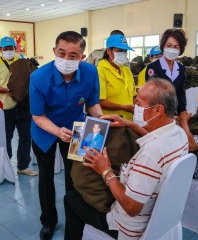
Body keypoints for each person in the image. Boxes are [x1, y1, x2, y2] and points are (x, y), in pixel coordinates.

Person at [64, 79, 189, 240]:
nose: (134, 107)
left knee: (71, 199)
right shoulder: (178, 133)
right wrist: (130, 124)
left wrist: (105, 171)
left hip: (128, 228)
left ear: (158, 110)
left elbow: (131, 208)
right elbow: (154, 138)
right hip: (160, 216)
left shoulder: (150, 155)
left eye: (138, 103)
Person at [29, 31, 103, 240]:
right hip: (45, 131)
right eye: (62, 53)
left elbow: (93, 103)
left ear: (81, 56)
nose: (66, 59)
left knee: (75, 177)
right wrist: (57, 131)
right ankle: (48, 221)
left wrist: (101, 119)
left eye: (73, 55)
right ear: (54, 51)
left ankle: (75, 219)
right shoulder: (38, 78)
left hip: (76, 130)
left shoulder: (90, 73)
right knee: (46, 178)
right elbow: (37, 116)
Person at [0, 36, 37, 176]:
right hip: (6, 106)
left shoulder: (20, 59)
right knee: (7, 136)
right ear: (0, 49)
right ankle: (6, 166)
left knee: (25, 136)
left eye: (11, 48)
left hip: (23, 104)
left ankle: (22, 166)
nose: (9, 51)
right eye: (6, 49)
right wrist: (6, 91)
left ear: (15, 48)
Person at [145, 29, 188, 114]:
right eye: (169, 45)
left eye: (176, 47)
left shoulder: (181, 68)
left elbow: (181, 93)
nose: (172, 49)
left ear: (180, 50)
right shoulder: (153, 67)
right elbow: (151, 95)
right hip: (158, 114)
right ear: (163, 46)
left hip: (176, 114)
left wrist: (182, 112)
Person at [98, 34, 136, 120]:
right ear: (109, 51)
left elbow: (133, 96)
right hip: (112, 122)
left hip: (129, 120)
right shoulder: (101, 71)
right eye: (120, 51)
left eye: (125, 51)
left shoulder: (127, 71)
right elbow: (100, 101)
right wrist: (124, 107)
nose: (123, 54)